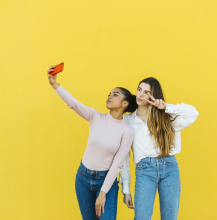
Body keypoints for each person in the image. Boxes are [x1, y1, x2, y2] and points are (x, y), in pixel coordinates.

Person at [47, 65, 137, 220]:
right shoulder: (95, 117)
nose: (110, 96)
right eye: (109, 94)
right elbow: (73, 103)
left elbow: (117, 165)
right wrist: (55, 84)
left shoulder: (127, 131)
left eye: (115, 95)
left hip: (106, 182)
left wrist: (102, 194)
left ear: (125, 104)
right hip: (83, 178)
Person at [120, 77, 199, 220]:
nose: (140, 95)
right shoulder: (127, 121)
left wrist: (165, 107)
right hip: (144, 171)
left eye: (146, 92)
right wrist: (126, 189)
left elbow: (193, 113)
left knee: (170, 217)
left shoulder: (167, 117)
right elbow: (123, 156)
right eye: (139, 90)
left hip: (170, 168)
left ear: (153, 95)